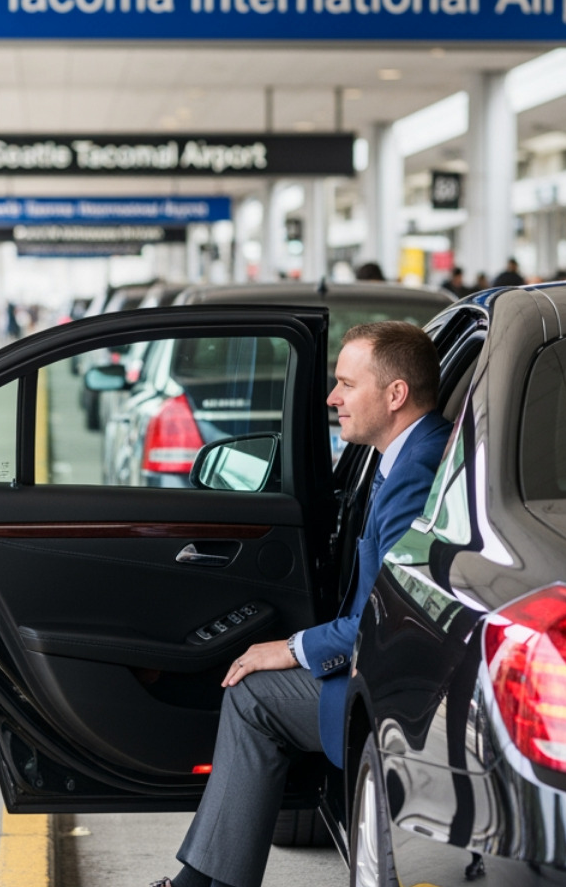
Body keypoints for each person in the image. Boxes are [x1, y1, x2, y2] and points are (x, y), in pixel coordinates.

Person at [154, 321, 452, 887]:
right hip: (392, 674)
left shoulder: (417, 472)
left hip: (395, 691)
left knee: (253, 695)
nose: (332, 397)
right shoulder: (405, 454)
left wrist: (289, 649)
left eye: (346, 383)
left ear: (395, 395)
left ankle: (199, 884)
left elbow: (376, 620)